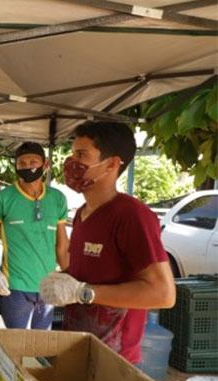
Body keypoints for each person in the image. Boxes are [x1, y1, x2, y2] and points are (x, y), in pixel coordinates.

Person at [40, 121, 175, 364]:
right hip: (78, 347)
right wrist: (63, 279)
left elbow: (163, 294)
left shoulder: (131, 216)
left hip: (113, 359)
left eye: (82, 155)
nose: (72, 163)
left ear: (112, 164)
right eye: (72, 154)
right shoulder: (82, 214)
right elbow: (92, 274)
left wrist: (84, 293)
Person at [0, 142, 69, 329]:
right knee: (15, 347)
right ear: (16, 166)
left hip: (48, 287)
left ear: (45, 164)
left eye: (33, 161)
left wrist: (70, 276)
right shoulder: (4, 198)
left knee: (41, 346)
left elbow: (62, 246)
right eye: (22, 163)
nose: (28, 166)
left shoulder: (57, 199)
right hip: (15, 287)